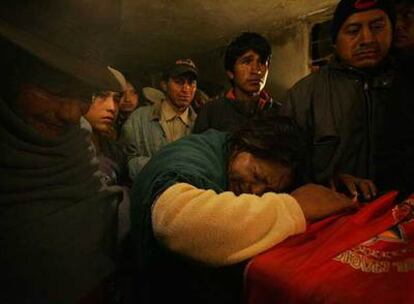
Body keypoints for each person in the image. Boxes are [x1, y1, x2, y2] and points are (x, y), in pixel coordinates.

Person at [130, 114, 357, 304]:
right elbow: (174, 221)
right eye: (257, 175)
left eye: (268, 190)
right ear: (242, 144)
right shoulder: (192, 158)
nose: (254, 191)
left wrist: (331, 182)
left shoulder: (234, 157)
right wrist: (293, 207)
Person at [0, 13, 125, 304]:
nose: (72, 113)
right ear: (8, 76)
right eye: (53, 89)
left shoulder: (74, 144)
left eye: (83, 95)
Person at [280, 0, 396, 199]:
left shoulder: (406, 84)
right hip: (335, 220)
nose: (367, 39)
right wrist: (330, 183)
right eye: (353, 30)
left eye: (377, 27)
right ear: (335, 40)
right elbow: (282, 172)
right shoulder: (303, 95)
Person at [121, 58, 198, 179]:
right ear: (164, 85)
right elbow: (128, 163)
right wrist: (167, 166)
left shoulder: (200, 123)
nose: (186, 89)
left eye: (191, 83)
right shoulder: (138, 119)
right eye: (179, 82)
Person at [193, 32, 276, 133]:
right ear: (231, 73)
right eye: (247, 62)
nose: (256, 70)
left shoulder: (280, 112)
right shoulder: (211, 111)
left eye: (262, 62)